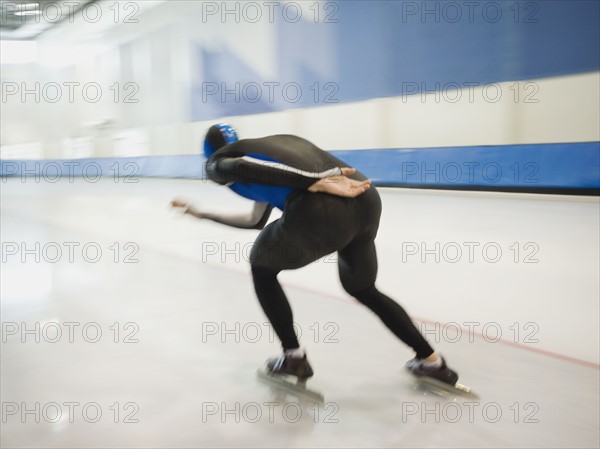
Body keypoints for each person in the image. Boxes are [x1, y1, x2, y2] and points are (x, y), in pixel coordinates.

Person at [171, 123, 459, 385]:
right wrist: (202, 214)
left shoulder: (217, 163)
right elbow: (255, 220)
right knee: (362, 287)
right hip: (364, 197)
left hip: (322, 200)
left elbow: (244, 167)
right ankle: (432, 361)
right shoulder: (265, 151)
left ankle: (293, 357)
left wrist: (314, 180)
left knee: (261, 266)